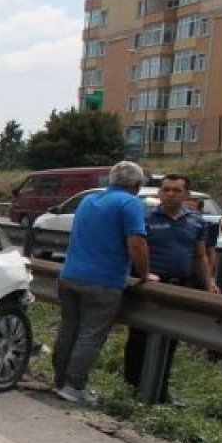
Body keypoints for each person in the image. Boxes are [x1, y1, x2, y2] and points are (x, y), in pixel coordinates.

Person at [52, 160, 155, 405]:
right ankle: (74, 387)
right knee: (90, 335)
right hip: (102, 280)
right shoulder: (130, 203)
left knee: (68, 330)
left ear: (111, 180)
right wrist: (144, 273)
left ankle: (59, 381)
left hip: (69, 275)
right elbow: (137, 244)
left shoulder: (89, 200)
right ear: (137, 185)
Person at [123, 174, 220, 400]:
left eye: (176, 190)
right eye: (166, 189)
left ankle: (160, 389)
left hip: (178, 288)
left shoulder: (196, 221)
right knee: (140, 337)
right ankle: (133, 386)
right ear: (159, 192)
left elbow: (200, 256)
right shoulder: (146, 217)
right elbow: (133, 247)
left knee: (169, 339)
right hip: (148, 285)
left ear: (186, 194)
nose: (170, 194)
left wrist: (209, 283)